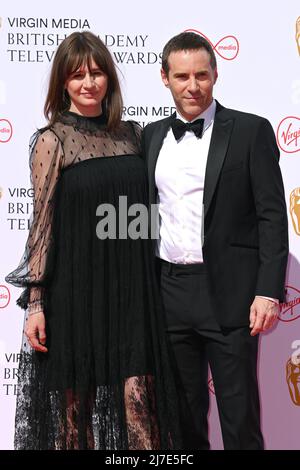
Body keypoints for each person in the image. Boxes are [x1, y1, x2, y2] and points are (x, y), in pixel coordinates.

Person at [6, 31, 181, 450]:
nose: (89, 83)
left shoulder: (133, 135)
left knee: (143, 412)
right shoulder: (53, 140)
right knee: (74, 421)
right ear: (62, 83)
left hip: (133, 294)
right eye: (77, 74)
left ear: (109, 79)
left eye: (97, 72)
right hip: (76, 295)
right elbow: (42, 225)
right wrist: (36, 303)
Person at [142, 32, 289, 450]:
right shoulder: (151, 136)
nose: (193, 86)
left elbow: (273, 218)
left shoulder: (249, 131)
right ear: (165, 77)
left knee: (239, 419)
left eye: (202, 75)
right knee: (182, 420)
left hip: (232, 295)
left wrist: (267, 291)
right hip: (169, 292)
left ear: (216, 74)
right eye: (182, 76)